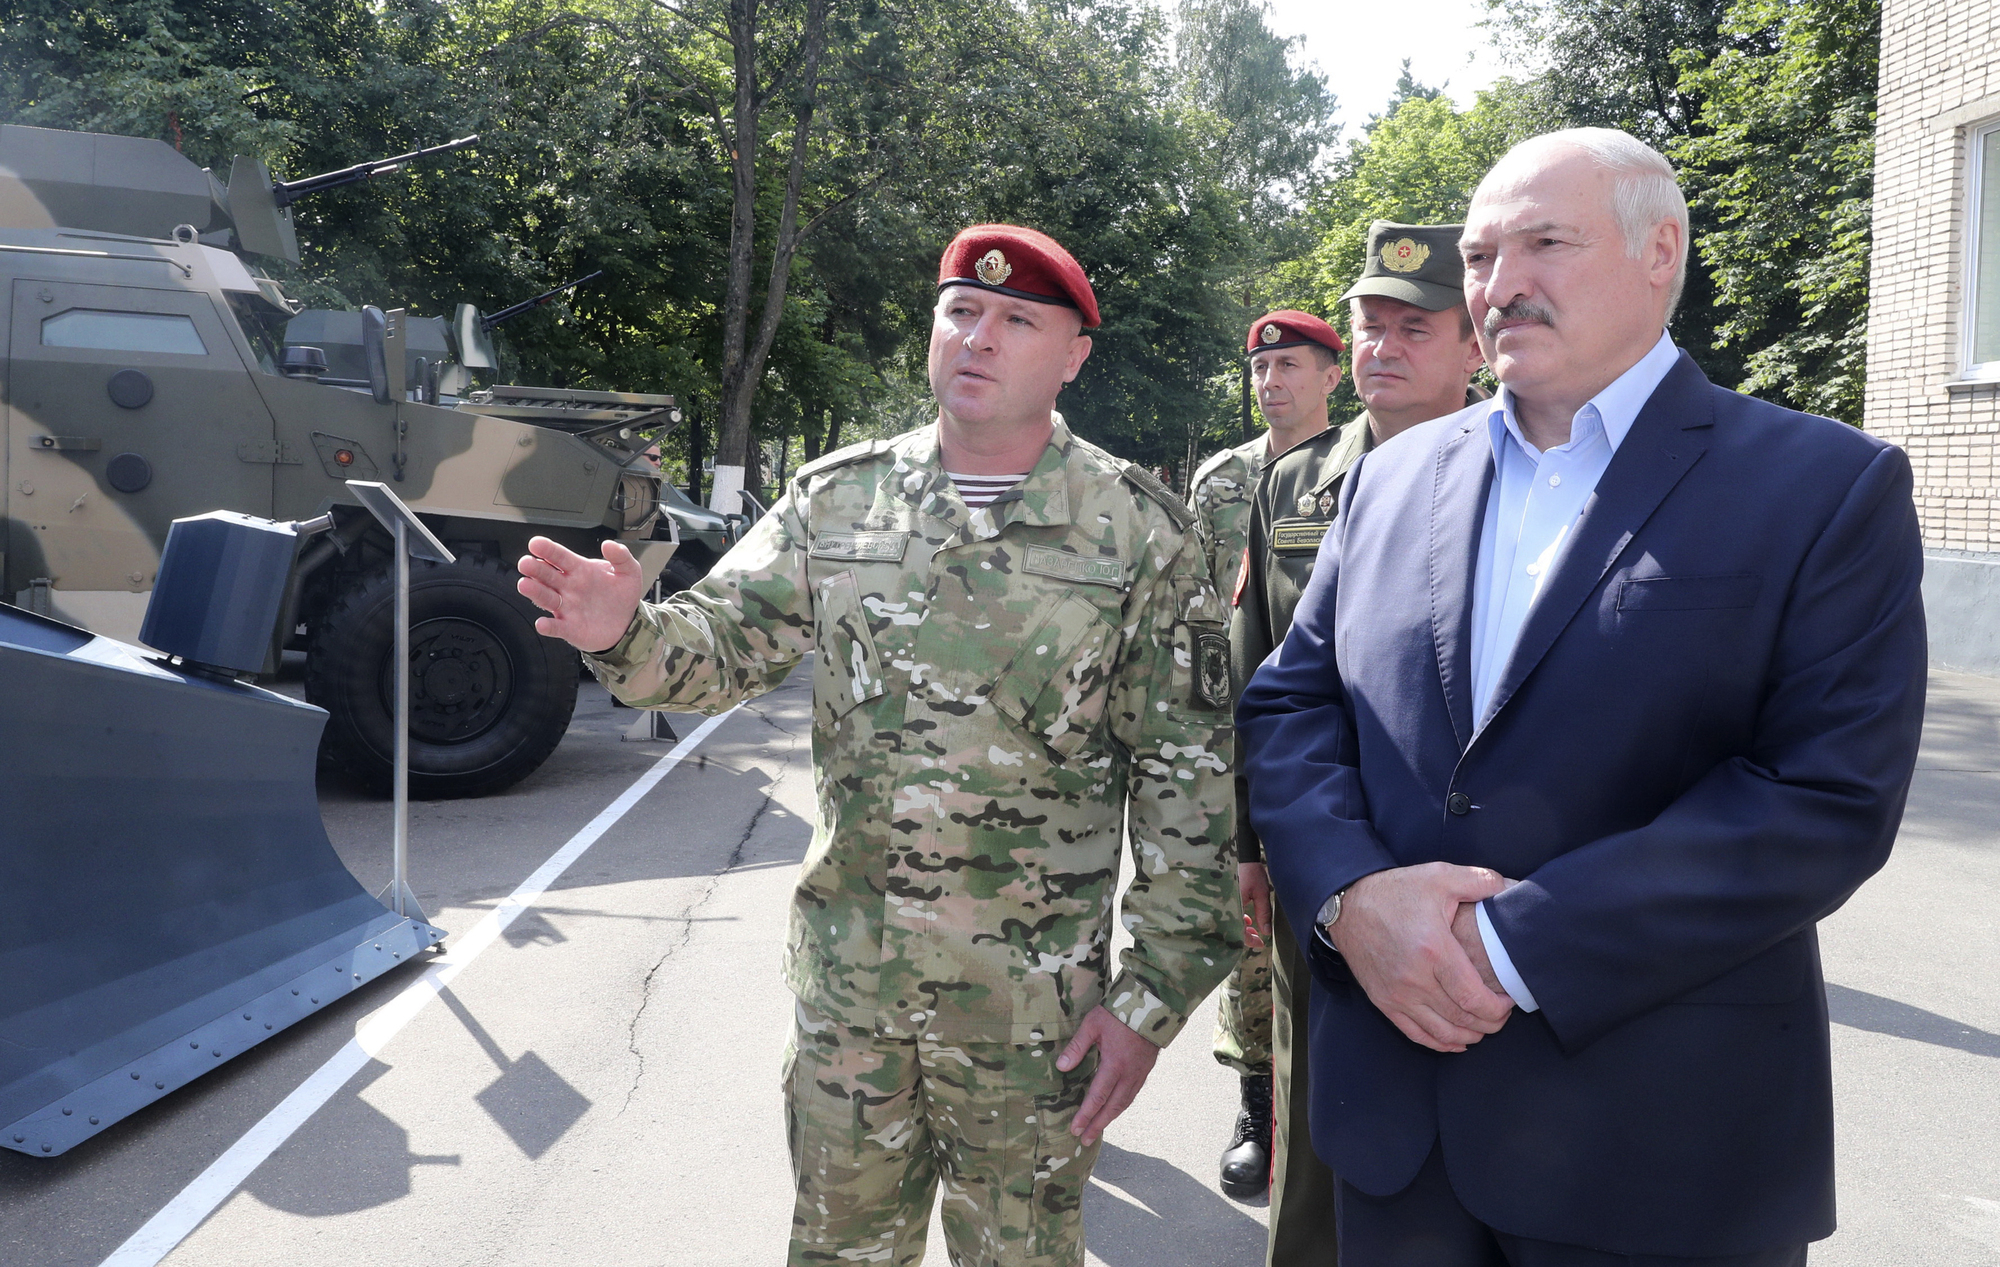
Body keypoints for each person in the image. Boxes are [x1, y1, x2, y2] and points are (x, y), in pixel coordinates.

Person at [1238, 128, 1927, 1264]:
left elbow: (1824, 795)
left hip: (1657, 1150)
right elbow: (1292, 707)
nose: (1500, 285)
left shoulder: (1822, 486)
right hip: (1397, 1140)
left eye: (1544, 244)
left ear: (1660, 251)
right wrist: (1351, 896)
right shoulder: (1389, 478)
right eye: (1479, 257)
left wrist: (1510, 946)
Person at [518, 223, 1241, 1267]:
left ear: (1074, 356)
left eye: (1016, 320)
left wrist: (1148, 1001)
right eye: (962, 311)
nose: (978, 337)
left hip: (1029, 1020)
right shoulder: (838, 499)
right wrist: (621, 631)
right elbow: (719, 648)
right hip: (851, 1002)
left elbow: (1188, 789)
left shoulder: (1138, 534)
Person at [1234, 222, 1484, 1264]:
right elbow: (1257, 671)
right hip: (1321, 847)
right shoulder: (1294, 483)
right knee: (1315, 1097)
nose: (1382, 347)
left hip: (1466, 849)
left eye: (1413, 328)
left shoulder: (1528, 473)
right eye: (1369, 326)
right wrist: (1249, 845)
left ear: (1474, 344)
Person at [1188, 309, 1344, 1199]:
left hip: (1330, 737)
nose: (1272, 383)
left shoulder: (1360, 465)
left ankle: (1325, 1109)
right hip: (1238, 733)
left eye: (1290, 367)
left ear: (1332, 376)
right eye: (1260, 369)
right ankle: (1258, 1105)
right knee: (1251, 932)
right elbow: (1199, 613)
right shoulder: (1221, 482)